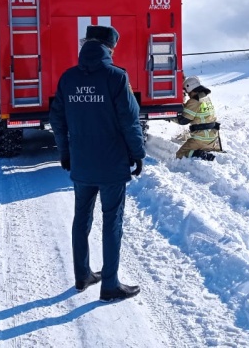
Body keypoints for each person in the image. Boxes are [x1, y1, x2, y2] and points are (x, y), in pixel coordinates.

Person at [49, 25, 145, 303]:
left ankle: (82, 276)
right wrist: (137, 153)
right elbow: (129, 120)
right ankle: (110, 284)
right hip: (112, 164)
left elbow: (57, 119)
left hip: (81, 163)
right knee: (112, 221)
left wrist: (65, 153)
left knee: (82, 219)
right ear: (109, 47)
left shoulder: (68, 78)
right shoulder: (116, 77)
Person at [175, 76, 222, 161]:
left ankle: (200, 154)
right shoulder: (206, 98)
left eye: (187, 92)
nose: (187, 94)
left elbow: (183, 120)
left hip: (201, 139)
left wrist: (170, 117)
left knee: (180, 155)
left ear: (190, 88)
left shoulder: (194, 101)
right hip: (212, 137)